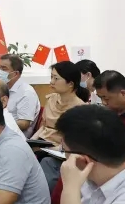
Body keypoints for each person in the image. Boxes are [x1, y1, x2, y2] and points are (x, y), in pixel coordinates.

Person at [36, 61, 91, 191]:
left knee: (45, 162)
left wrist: (46, 148)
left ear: (70, 84)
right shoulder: (51, 99)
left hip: (60, 151)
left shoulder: (80, 108)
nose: (51, 82)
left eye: (56, 78)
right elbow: (43, 127)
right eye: (51, 77)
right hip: (42, 144)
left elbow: (75, 143)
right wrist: (29, 142)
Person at [0, 54, 40, 137]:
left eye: (4, 68)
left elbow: (24, 123)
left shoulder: (26, 92)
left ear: (15, 74)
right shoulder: (2, 88)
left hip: (15, 136)